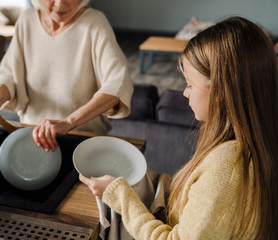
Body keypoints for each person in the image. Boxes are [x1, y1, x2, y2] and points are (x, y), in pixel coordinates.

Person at [80, 16, 278, 239]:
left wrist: (121, 196)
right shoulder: (246, 146)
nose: (185, 92)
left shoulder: (227, 169)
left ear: (221, 93)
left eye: (190, 85)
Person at [0, 0, 133, 152]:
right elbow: (10, 74)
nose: (60, 4)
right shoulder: (27, 19)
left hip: (82, 139)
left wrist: (68, 122)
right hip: (31, 135)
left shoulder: (94, 22)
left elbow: (117, 83)